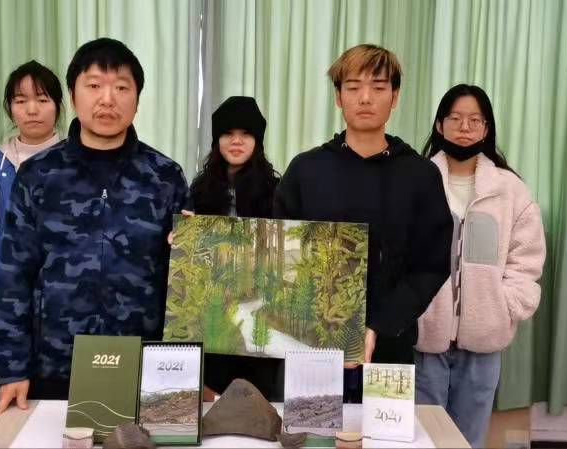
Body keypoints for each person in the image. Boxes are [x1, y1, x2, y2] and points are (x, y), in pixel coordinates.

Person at [0, 38, 190, 420]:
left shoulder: (164, 176)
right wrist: (12, 367)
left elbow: (184, 283)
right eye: (94, 85)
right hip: (56, 363)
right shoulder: (38, 175)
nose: (107, 99)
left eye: (121, 87)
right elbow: (13, 276)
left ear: (137, 98)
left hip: (143, 364)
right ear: (73, 95)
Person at [274, 44, 453, 402]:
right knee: (311, 428)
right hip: (312, 345)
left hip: (390, 345)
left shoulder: (420, 175)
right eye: (353, 87)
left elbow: (431, 265)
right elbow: (279, 252)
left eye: (379, 87)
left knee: (381, 429)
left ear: (395, 97)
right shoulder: (306, 170)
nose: (365, 97)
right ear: (338, 97)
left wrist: (379, 326)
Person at [415, 84, 546, 448]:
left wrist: (505, 307)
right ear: (440, 125)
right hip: (425, 339)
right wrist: (413, 313)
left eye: (475, 120)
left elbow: (526, 259)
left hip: (483, 344)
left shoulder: (510, 190)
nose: (465, 127)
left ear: (487, 128)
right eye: (455, 118)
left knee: (467, 441)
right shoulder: (417, 181)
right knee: (423, 439)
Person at [0, 60, 62, 425]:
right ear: (10, 108)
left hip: (61, 316)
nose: (32, 109)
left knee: (57, 418)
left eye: (42, 99)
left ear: (59, 104)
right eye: (21, 101)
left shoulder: (73, 164)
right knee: (8, 418)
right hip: (2, 311)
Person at [189, 96, 283, 400]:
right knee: (211, 395)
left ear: (258, 140)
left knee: (257, 398)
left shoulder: (276, 191)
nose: (237, 141)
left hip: (260, 307)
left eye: (246, 134)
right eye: (228, 133)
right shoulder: (199, 190)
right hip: (210, 310)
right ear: (217, 139)